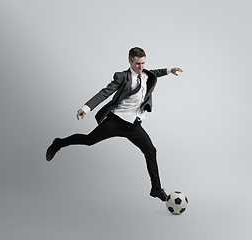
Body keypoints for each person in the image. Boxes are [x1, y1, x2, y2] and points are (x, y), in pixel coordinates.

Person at [46, 47, 183, 201]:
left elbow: (155, 73)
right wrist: (86, 107)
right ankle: (58, 143)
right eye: (137, 64)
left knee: (151, 151)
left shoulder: (145, 74)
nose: (141, 67)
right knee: (89, 140)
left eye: (143, 63)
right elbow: (105, 92)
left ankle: (156, 188)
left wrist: (170, 70)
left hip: (134, 126)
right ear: (130, 62)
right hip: (116, 122)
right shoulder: (122, 77)